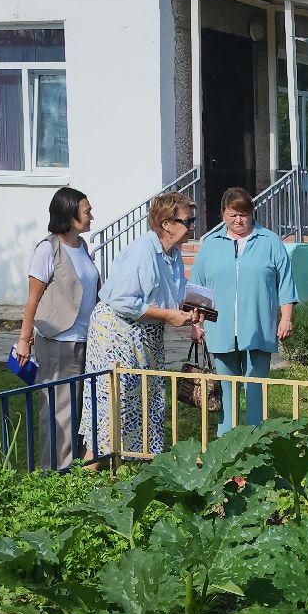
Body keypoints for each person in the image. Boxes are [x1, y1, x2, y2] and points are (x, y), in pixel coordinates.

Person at [83, 191, 202, 456]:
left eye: (193, 220)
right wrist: (168, 316)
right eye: (188, 221)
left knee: (146, 403)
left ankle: (136, 466)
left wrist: (189, 312)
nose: (193, 226)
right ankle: (91, 469)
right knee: (116, 406)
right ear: (167, 224)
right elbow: (122, 300)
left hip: (145, 335)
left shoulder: (173, 254)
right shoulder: (142, 251)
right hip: (117, 334)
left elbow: (170, 297)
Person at [191, 188, 296, 434]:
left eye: (244, 214)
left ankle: (255, 441)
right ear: (223, 214)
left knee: (256, 389)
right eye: (233, 215)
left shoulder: (270, 241)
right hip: (221, 328)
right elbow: (198, 287)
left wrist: (286, 318)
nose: (239, 220)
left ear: (252, 214)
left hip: (259, 328)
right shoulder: (210, 244)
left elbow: (285, 283)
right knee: (225, 391)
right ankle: (226, 443)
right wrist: (196, 324)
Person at [14, 187, 99, 470]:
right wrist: (24, 339)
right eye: (87, 212)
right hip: (59, 341)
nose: (91, 216)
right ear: (69, 214)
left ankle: (73, 468)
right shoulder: (47, 249)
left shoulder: (82, 247)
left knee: (79, 409)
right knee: (59, 411)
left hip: (85, 339)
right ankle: (53, 473)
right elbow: (33, 299)